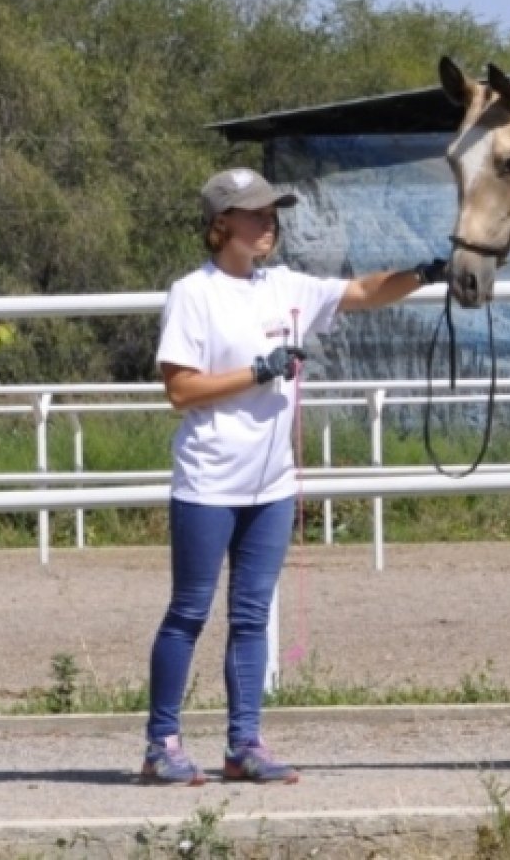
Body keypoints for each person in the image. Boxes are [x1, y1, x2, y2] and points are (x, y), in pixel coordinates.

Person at [140, 167, 448, 785]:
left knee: (252, 616)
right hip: (208, 483)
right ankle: (161, 742)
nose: (268, 223)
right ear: (220, 224)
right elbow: (180, 390)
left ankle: (244, 744)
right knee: (190, 612)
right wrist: (258, 372)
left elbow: (362, 292)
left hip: (272, 486)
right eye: (255, 213)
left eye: (271, 212)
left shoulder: (286, 286)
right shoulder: (193, 294)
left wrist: (425, 273)